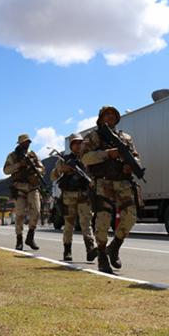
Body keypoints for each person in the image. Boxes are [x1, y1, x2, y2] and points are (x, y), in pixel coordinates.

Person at [82, 106, 142, 274]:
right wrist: (108, 154)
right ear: (100, 118)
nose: (109, 117)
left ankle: (114, 247)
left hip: (123, 182)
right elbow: (85, 157)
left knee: (130, 216)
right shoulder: (93, 137)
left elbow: (136, 156)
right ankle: (102, 255)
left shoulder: (125, 137)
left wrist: (131, 165)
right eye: (106, 115)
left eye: (113, 115)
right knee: (103, 219)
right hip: (103, 182)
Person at [50, 134, 98, 262]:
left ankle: (90, 249)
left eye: (80, 142)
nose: (78, 145)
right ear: (71, 146)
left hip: (84, 195)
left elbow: (95, 173)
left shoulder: (88, 158)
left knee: (86, 224)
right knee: (69, 225)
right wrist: (62, 169)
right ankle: (67, 251)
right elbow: (53, 176)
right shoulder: (63, 159)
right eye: (75, 143)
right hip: (69, 196)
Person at [3, 134, 46, 251]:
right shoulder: (12, 156)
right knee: (20, 215)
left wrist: (35, 169)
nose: (27, 144)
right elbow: (6, 170)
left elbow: (42, 169)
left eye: (28, 142)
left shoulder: (33, 155)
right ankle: (19, 240)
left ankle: (30, 237)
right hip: (19, 188)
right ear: (20, 144)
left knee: (36, 212)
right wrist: (19, 165)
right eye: (25, 142)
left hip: (33, 187)